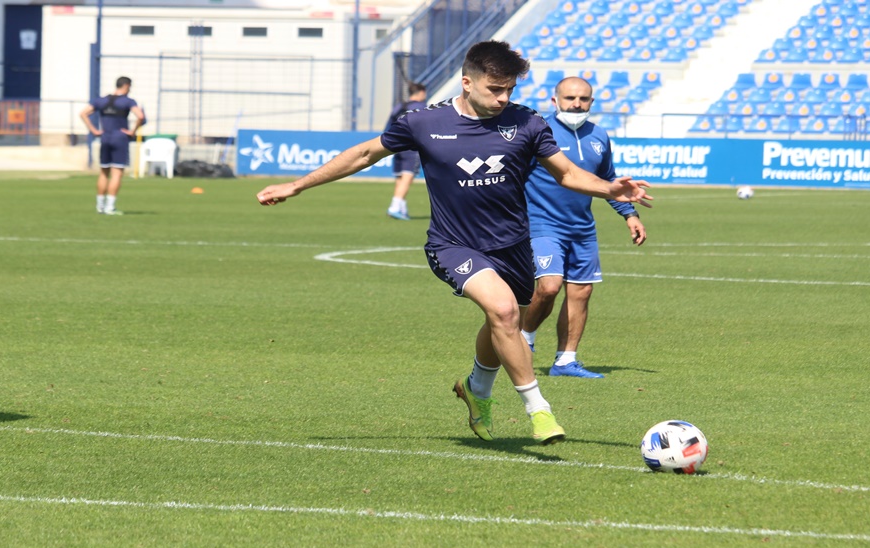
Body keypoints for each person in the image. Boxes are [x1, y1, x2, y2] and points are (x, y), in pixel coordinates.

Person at [257, 41, 651, 445]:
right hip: (453, 243)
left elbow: (566, 173)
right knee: (502, 311)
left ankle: (476, 389)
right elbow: (363, 154)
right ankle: (540, 411)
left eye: (509, 90)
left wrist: (609, 189)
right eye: (494, 89)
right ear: (467, 82)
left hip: (513, 245)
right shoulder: (422, 122)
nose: (503, 98)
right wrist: (297, 185)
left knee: (504, 318)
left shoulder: (528, 123)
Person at [521, 77, 647, 379]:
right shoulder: (539, 132)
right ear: (555, 101)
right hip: (542, 224)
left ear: (591, 102)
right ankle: (523, 337)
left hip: (582, 228)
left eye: (583, 99)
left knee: (581, 292)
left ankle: (565, 361)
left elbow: (608, 180)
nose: (576, 104)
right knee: (549, 286)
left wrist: (629, 214)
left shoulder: (599, 136)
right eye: (569, 98)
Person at [80, 76, 145, 215]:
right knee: (117, 173)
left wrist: (94, 131)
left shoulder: (101, 100)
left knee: (104, 172)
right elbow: (140, 116)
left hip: (105, 137)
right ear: (126, 86)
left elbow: (83, 113)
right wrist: (132, 131)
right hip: (120, 138)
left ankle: (99, 206)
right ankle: (110, 207)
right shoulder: (128, 101)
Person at [384, 82, 428, 220]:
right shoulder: (422, 108)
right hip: (411, 146)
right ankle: (395, 206)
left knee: (400, 177)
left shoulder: (399, 106)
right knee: (407, 177)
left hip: (396, 145)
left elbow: (388, 126)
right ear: (421, 93)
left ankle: (401, 207)